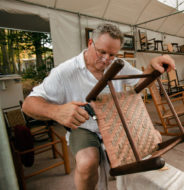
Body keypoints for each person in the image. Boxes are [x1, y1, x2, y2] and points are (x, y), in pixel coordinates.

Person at [22, 23, 175, 190]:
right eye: (101, 52)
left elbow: (140, 81)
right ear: (90, 43)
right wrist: (56, 111)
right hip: (84, 126)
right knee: (87, 163)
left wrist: (152, 67)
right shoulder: (64, 72)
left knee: (150, 143)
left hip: (114, 122)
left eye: (112, 54)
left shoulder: (118, 64)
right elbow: (29, 104)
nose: (106, 59)